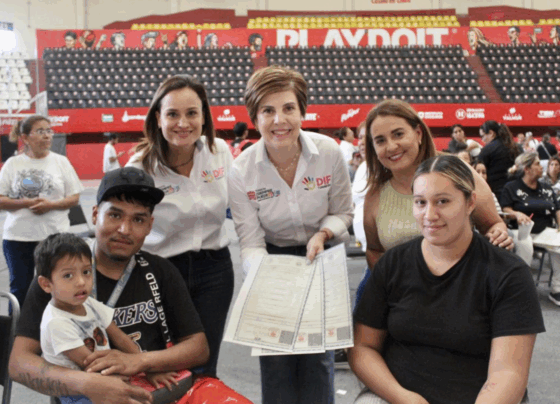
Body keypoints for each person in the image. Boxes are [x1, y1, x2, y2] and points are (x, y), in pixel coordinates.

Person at [350, 154, 545, 404]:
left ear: (470, 202)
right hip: (398, 397)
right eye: (420, 202)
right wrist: (405, 398)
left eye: (442, 201)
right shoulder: (392, 264)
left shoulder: (508, 273)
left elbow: (508, 372)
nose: (430, 215)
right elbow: (363, 347)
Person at [9, 166, 209, 404]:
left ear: (149, 225)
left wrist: (140, 362)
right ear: (95, 215)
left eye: (138, 219)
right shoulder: (59, 276)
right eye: (115, 215)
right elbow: (19, 362)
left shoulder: (160, 271)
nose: (124, 230)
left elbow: (198, 348)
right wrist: (86, 383)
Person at [228, 65, 353, 404]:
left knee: (318, 362)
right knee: (276, 364)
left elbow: (344, 212)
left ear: (302, 111)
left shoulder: (328, 153)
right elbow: (250, 242)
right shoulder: (241, 170)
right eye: (268, 110)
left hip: (320, 256)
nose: (279, 120)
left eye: (288, 108)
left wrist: (323, 234)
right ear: (255, 117)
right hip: (270, 261)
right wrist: (268, 277)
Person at [127, 74, 234, 378]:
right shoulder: (140, 167)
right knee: (165, 366)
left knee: (205, 363)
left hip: (215, 270)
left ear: (204, 117)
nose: (183, 123)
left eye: (192, 113)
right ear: (158, 118)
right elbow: (124, 229)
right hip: (160, 272)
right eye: (173, 114)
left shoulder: (220, 152)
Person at [361, 101, 512, 286]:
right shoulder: (375, 194)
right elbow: (374, 251)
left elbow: (493, 225)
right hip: (403, 296)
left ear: (418, 133)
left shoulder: (458, 170)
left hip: (461, 289)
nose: (391, 146)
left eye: (398, 134)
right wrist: (390, 285)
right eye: (380, 140)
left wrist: (499, 236)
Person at [37, 233, 178, 404]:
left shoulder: (89, 303)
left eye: (86, 272)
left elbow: (119, 337)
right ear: (46, 284)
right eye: (68, 275)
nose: (81, 282)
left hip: (102, 373)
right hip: (79, 392)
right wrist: (118, 382)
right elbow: (89, 362)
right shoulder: (56, 322)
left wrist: (147, 368)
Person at [0, 115, 84, 308]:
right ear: (25, 137)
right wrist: (26, 202)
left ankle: (54, 324)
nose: (47, 135)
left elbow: (74, 198)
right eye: (40, 131)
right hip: (18, 238)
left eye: (49, 131)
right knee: (20, 289)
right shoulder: (13, 164)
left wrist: (50, 205)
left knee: (55, 288)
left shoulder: (61, 162)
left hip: (54, 238)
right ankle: (19, 326)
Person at [500, 152, 560, 307]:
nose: (542, 167)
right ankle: (523, 288)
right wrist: (517, 214)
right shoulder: (512, 187)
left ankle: (556, 289)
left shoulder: (547, 188)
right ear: (527, 169)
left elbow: (557, 209)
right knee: (525, 243)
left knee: (559, 244)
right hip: (521, 231)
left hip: (545, 232)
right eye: (537, 164)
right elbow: (505, 209)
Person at [478, 120, 520, 200]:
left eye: (482, 136)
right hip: (516, 192)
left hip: (496, 194)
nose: (482, 140)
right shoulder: (516, 147)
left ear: (491, 133)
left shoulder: (487, 150)